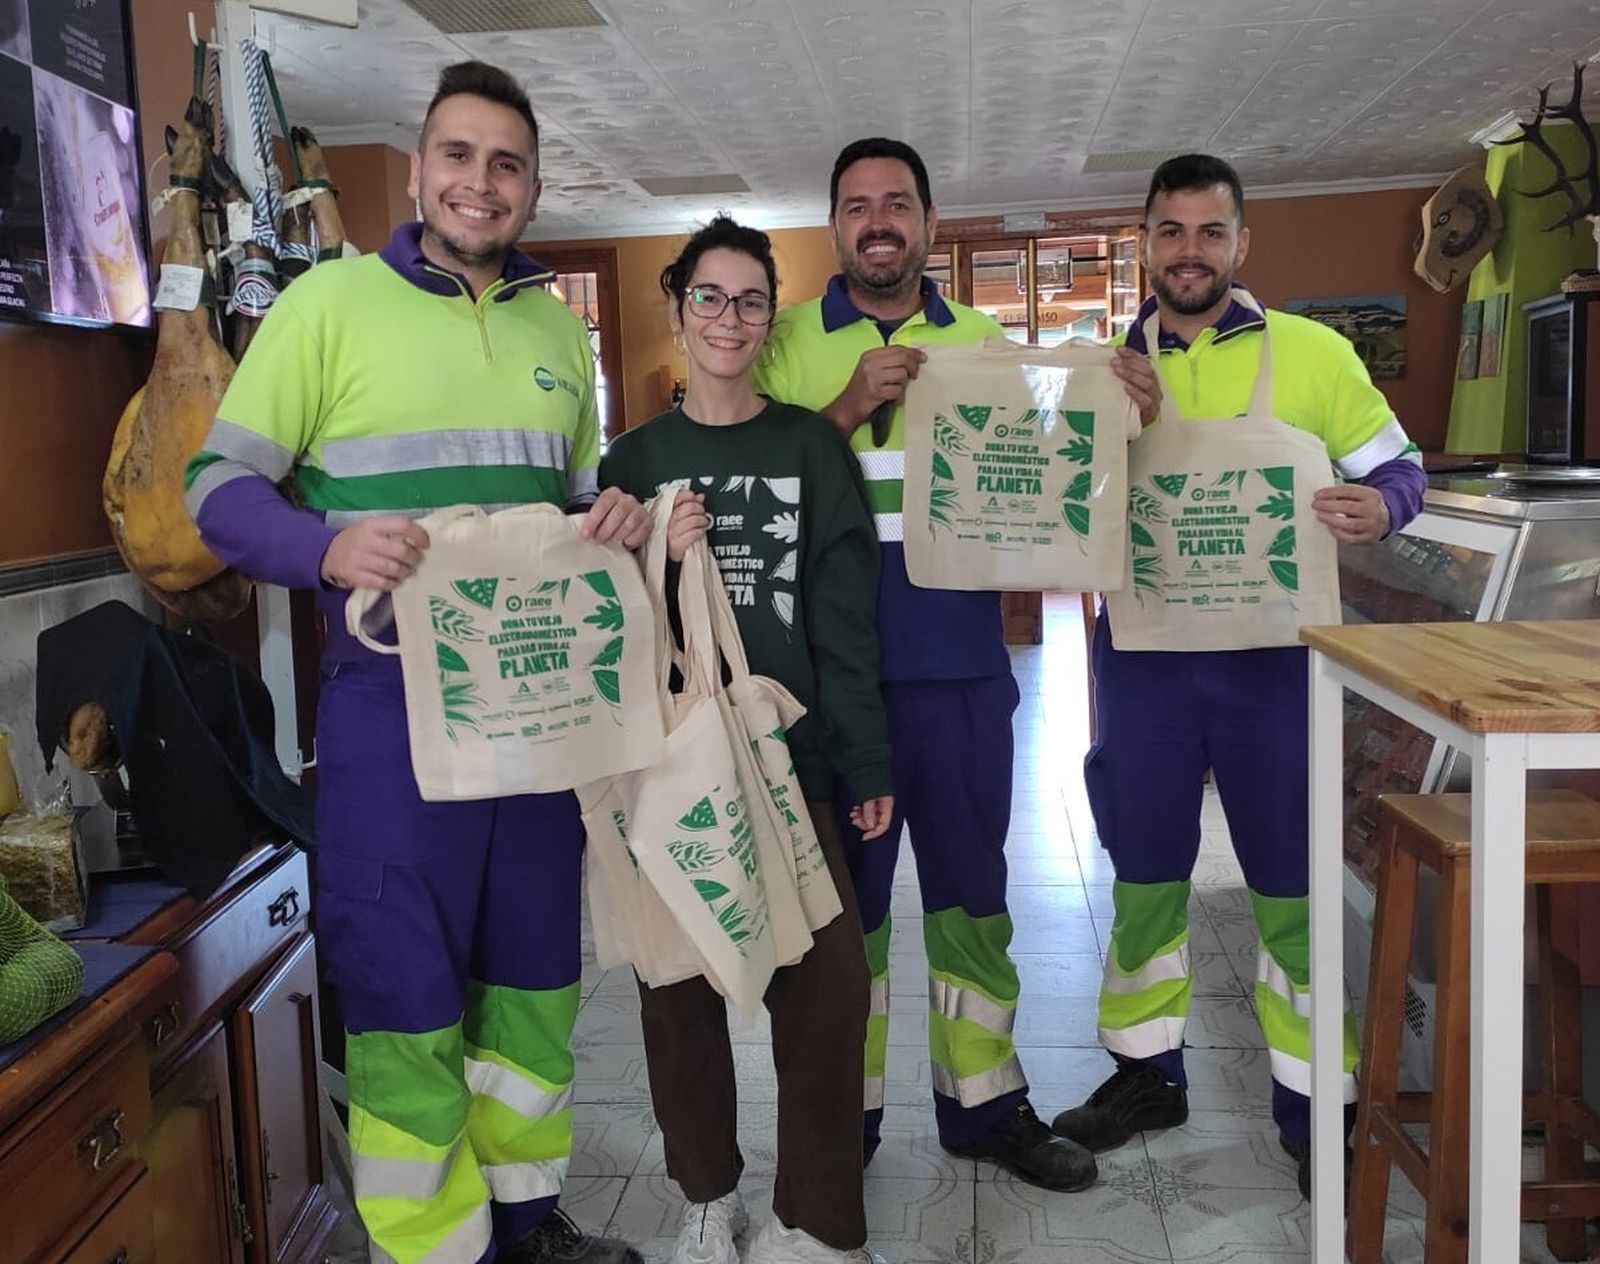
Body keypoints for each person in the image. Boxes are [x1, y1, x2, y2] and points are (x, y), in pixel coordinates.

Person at [186, 61, 650, 1264]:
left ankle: (527, 1223)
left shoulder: (557, 329)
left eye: (505, 162)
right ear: (418, 169)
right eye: (457, 154)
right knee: (407, 996)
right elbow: (214, 494)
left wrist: (614, 518)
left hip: (541, 718)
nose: (478, 182)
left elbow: (575, 497)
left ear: (534, 184)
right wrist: (326, 544)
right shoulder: (328, 307)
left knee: (537, 985)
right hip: (392, 722)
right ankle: (437, 1249)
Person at [752, 138, 1159, 1192]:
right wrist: (838, 411)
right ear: (832, 224)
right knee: (850, 920)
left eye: (897, 203)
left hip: (963, 673)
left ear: (928, 221)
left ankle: (984, 1110)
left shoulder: (986, 344)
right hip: (832, 683)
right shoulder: (779, 344)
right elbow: (750, 496)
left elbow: (1050, 485)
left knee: (973, 899)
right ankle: (844, 1120)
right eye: (855, 205)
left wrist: (1121, 416)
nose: (877, 220)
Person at [1049, 152, 1428, 1201]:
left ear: (1240, 244)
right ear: (1144, 245)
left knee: (1290, 889)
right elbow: (1043, 504)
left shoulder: (1312, 354)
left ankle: (1316, 1102)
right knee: (1145, 883)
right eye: (1169, 232)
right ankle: (1143, 1076)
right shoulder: (1101, 369)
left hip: (1274, 670)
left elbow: (1401, 468)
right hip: (1144, 669)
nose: (1188, 251)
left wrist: (1382, 508)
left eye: (1208, 232)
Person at [600, 216, 894, 1264]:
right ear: (677, 310)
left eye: (751, 299)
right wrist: (642, 560)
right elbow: (603, 628)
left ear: (772, 318)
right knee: (676, 991)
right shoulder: (631, 458)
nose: (729, 318)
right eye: (710, 298)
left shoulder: (810, 446)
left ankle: (812, 1218)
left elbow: (843, 618)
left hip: (791, 764)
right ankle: (707, 1196)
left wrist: (861, 760)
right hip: (670, 769)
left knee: (827, 992)